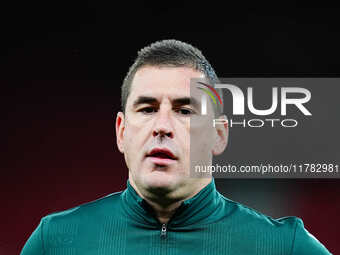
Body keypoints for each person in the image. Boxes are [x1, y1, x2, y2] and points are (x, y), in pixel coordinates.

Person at [21, 39, 332, 255]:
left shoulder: (284, 246)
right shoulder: (55, 241)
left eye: (185, 111)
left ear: (218, 136)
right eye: (146, 109)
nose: (162, 126)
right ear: (121, 131)